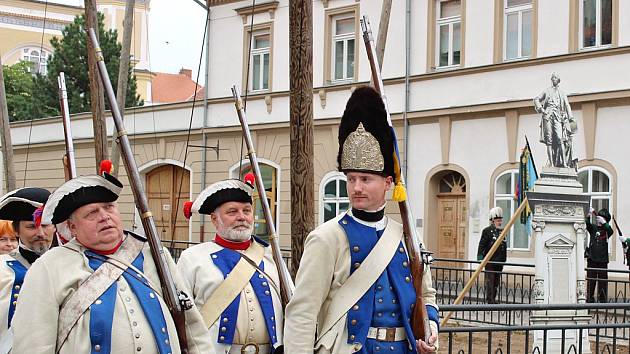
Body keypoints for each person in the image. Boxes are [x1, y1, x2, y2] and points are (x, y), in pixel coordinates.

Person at [284, 87, 439, 354]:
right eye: (351, 178)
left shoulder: (406, 237)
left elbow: (428, 294)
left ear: (388, 182)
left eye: (366, 179)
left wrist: (431, 327)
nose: (356, 187)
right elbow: (302, 313)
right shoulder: (326, 238)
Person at [11, 167, 214, 353]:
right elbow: (34, 344)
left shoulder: (154, 254)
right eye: (92, 213)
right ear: (72, 228)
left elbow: (191, 325)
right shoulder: (49, 266)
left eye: (109, 208)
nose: (104, 217)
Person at [177, 175, 284, 354]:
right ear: (214, 219)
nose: (241, 217)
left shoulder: (271, 256)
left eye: (247, 211)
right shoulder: (192, 258)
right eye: (232, 212)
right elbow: (180, 317)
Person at [0, 187, 53, 350]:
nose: (41, 233)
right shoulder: (2, 268)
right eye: (31, 227)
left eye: (46, 225)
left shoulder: (69, 266)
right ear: (16, 230)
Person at [533, 72, 576, 168]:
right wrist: (541, 109)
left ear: (558, 80)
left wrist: (571, 117)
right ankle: (551, 164)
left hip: (558, 117)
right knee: (549, 141)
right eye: (552, 78)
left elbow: (567, 105)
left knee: (560, 138)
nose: (553, 79)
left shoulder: (562, 93)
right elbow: (536, 99)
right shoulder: (547, 91)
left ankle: (564, 163)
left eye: (555, 78)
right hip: (547, 116)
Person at [477, 207, 507, 304]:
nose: (500, 222)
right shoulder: (487, 231)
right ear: (493, 221)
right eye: (498, 220)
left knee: (496, 282)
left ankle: (494, 298)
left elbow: (503, 246)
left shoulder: (501, 231)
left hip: (499, 261)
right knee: (490, 281)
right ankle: (490, 300)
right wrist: (480, 258)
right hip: (490, 261)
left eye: (500, 220)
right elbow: (482, 244)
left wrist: (503, 259)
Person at [585, 208, 614, 303]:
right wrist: (589, 215)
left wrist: (605, 223)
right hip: (592, 259)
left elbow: (611, 231)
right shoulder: (594, 228)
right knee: (591, 281)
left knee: (602, 282)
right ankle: (590, 298)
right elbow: (587, 224)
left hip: (602, 260)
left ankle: (602, 299)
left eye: (600, 219)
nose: (598, 220)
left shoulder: (606, 230)